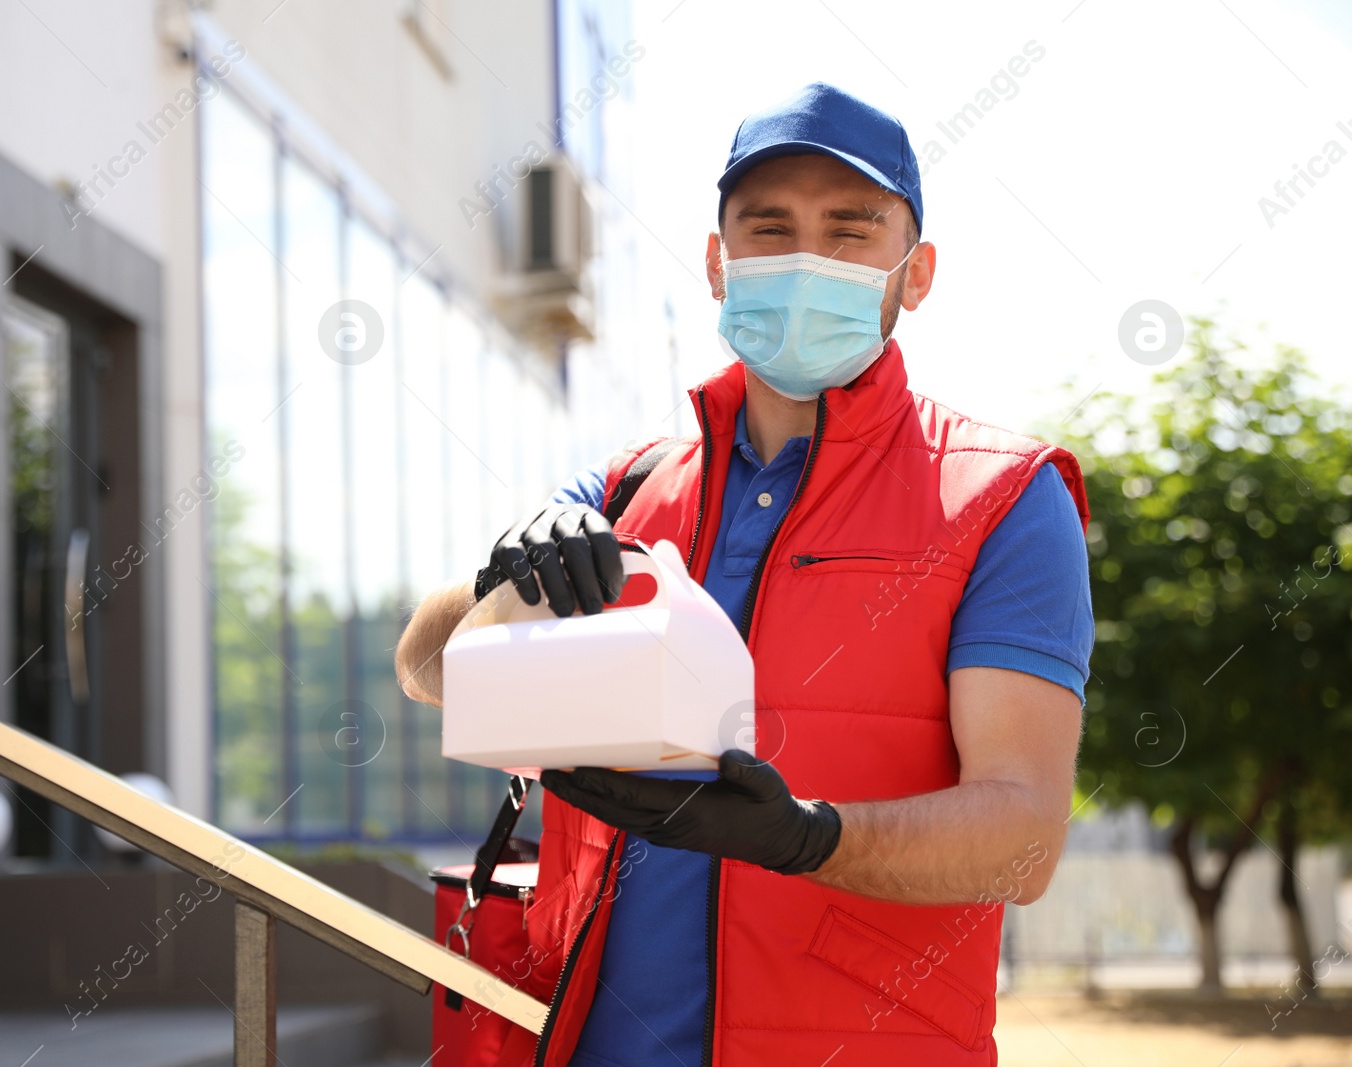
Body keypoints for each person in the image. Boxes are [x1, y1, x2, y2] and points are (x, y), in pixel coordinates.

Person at [396, 81, 1092, 1067]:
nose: (807, 258)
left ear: (916, 270)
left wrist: (810, 837)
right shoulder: (623, 488)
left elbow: (1022, 837)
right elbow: (428, 671)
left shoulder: (1005, 500)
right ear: (719, 263)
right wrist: (498, 576)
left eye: (850, 231)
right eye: (770, 228)